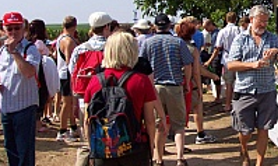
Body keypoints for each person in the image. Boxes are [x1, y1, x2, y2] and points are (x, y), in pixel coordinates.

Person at [83, 31, 158, 166]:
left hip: (103, 149)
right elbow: (150, 121)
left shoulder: (95, 81)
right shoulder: (141, 80)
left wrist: (92, 149)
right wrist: (152, 148)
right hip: (134, 147)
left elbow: (87, 121)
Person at [227, 5, 278, 166]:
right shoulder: (240, 39)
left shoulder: (273, 38)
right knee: (245, 130)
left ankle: (259, 163)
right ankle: (244, 150)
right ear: (251, 19)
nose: (263, 25)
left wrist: (276, 52)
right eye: (260, 22)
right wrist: (252, 65)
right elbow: (231, 65)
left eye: (265, 22)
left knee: (264, 128)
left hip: (267, 90)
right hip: (245, 90)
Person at [140, 14, 193, 166]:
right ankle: (180, 157)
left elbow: (142, 64)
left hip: (154, 87)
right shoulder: (178, 42)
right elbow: (188, 63)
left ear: (155, 26)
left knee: (159, 124)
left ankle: (158, 158)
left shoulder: (148, 43)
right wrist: (187, 83)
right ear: (169, 26)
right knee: (178, 124)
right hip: (174, 86)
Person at [0, 11, 41, 166]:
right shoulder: (1, 52)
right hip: (6, 106)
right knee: (10, 149)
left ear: (23, 29)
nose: (13, 32)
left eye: (17, 28)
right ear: (4, 29)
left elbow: (29, 72)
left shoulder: (30, 49)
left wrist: (14, 52)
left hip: (24, 107)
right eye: (10, 29)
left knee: (24, 151)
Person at [68, 12, 114, 141]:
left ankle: (89, 150)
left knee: (86, 125)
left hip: (85, 95)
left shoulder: (80, 48)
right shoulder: (111, 48)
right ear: (106, 27)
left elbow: (72, 70)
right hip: (108, 94)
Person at [176, 17, 218, 145]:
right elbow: (197, 70)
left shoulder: (175, 45)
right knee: (197, 106)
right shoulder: (192, 48)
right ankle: (200, 134)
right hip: (190, 82)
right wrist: (210, 79)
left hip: (176, 82)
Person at [204, 12, 241, 112]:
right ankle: (239, 105)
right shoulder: (239, 30)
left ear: (226, 19)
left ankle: (228, 104)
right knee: (240, 83)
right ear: (235, 19)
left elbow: (217, 48)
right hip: (240, 60)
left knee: (229, 83)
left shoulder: (223, 32)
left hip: (228, 59)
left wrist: (209, 61)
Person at [55, 16, 81, 142]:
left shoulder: (60, 38)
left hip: (62, 73)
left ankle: (73, 127)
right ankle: (62, 131)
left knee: (69, 102)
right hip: (67, 74)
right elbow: (69, 60)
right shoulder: (68, 41)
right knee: (66, 103)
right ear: (75, 26)